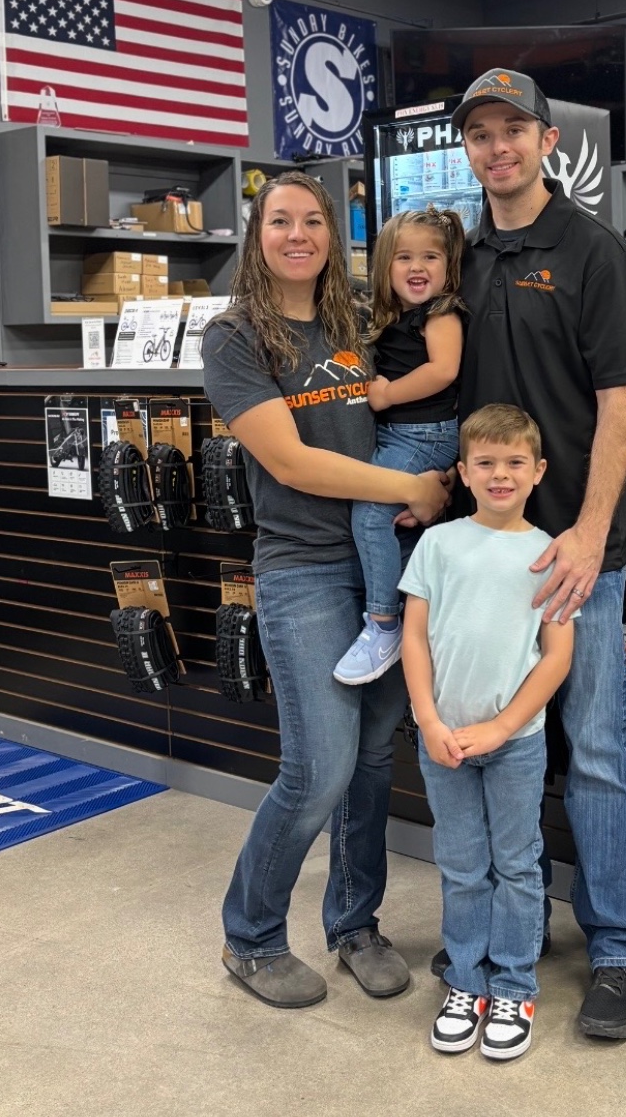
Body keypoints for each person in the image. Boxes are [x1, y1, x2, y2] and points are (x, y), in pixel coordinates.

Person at [448, 68, 626, 1040]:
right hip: (488, 553)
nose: (497, 147)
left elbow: (623, 404)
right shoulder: (464, 257)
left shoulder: (592, 251)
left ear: (546, 141)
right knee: (508, 751)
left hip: (576, 554)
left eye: (513, 129)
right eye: (480, 133)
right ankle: (521, 923)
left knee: (600, 755)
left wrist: (588, 531)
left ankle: (621, 951)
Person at [201, 170, 449, 1009]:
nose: (298, 234)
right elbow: (292, 462)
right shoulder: (235, 336)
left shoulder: (355, 322)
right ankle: (251, 937)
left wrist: (442, 471)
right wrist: (409, 489)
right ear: (257, 235)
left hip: (386, 565)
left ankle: (353, 924)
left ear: (333, 236)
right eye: (281, 221)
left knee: (373, 761)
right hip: (303, 569)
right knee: (319, 769)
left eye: (313, 220)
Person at [401, 404, 576, 1060]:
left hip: (516, 746)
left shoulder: (549, 555)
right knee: (462, 866)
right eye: (486, 463)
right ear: (465, 472)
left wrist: (503, 726)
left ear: (538, 471)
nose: (500, 474)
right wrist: (427, 719)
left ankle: (514, 987)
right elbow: (414, 639)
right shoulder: (438, 544)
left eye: (514, 462)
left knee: (517, 866)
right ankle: (466, 982)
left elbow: (556, 657)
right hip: (443, 741)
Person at [333, 206, 465, 685]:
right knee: (388, 520)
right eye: (404, 257)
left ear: (449, 266)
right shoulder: (398, 316)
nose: (417, 267)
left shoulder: (441, 312)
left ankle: (383, 622)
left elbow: (443, 370)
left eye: (430, 257)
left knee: (371, 513)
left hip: (425, 433)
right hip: (403, 434)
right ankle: (407, 617)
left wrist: (387, 394)